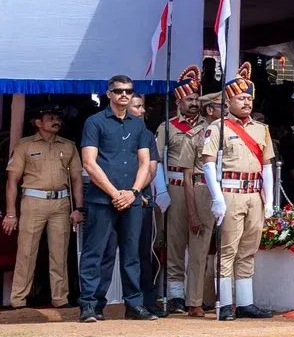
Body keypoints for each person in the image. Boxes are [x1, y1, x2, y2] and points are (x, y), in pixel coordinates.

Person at [78, 75, 158, 321]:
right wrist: (115, 193)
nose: (124, 94)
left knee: (132, 254)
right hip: (103, 199)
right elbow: (89, 163)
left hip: (131, 197)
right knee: (98, 253)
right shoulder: (95, 122)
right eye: (119, 91)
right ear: (109, 94)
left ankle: (134, 305)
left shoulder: (138, 125)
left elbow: (146, 163)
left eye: (129, 91)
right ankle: (91, 305)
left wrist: (133, 192)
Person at [207, 68, 275, 321]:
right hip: (230, 193)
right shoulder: (218, 128)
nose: (246, 102)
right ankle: (224, 303)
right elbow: (208, 164)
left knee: (248, 248)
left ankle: (245, 302)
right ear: (228, 102)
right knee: (227, 249)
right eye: (241, 98)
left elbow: (267, 166)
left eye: (249, 98)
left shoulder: (261, 129)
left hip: (253, 194)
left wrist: (268, 201)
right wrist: (216, 197)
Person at [5, 105, 83, 310]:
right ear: (37, 123)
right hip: (33, 201)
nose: (56, 121)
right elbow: (12, 180)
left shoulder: (68, 146)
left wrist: (79, 208)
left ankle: (60, 298)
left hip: (61, 203)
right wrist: (11, 213)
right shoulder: (24, 145)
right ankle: (18, 299)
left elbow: (77, 180)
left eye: (57, 117)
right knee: (26, 251)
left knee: (60, 252)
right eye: (50, 118)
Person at [154, 67, 217, 315]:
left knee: (200, 244)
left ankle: (196, 297)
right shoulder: (167, 127)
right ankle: (177, 295)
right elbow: (157, 160)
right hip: (174, 187)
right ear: (179, 101)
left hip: (200, 186)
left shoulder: (208, 126)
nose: (193, 103)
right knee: (175, 243)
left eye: (196, 99)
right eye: (189, 99)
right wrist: (161, 191)